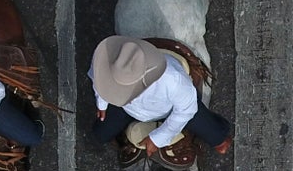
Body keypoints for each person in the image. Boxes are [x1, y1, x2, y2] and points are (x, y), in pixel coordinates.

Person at [88, 36, 231, 156]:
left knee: (217, 136)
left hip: (168, 109)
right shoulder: (104, 61)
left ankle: (220, 135)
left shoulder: (172, 79)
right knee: (99, 134)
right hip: (127, 107)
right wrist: (102, 103)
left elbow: (186, 110)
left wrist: (157, 139)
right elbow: (98, 80)